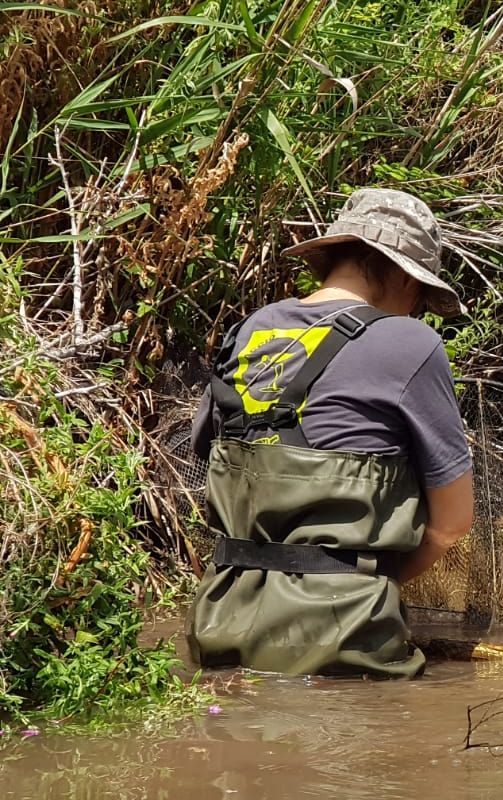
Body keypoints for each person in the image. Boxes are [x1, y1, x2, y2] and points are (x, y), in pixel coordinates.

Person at [187, 189, 474, 678]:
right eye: (421, 299)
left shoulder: (248, 330)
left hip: (220, 620)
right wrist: (373, 585)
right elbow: (452, 524)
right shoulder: (410, 342)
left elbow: (208, 461)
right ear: (403, 274)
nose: (417, 312)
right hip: (344, 636)